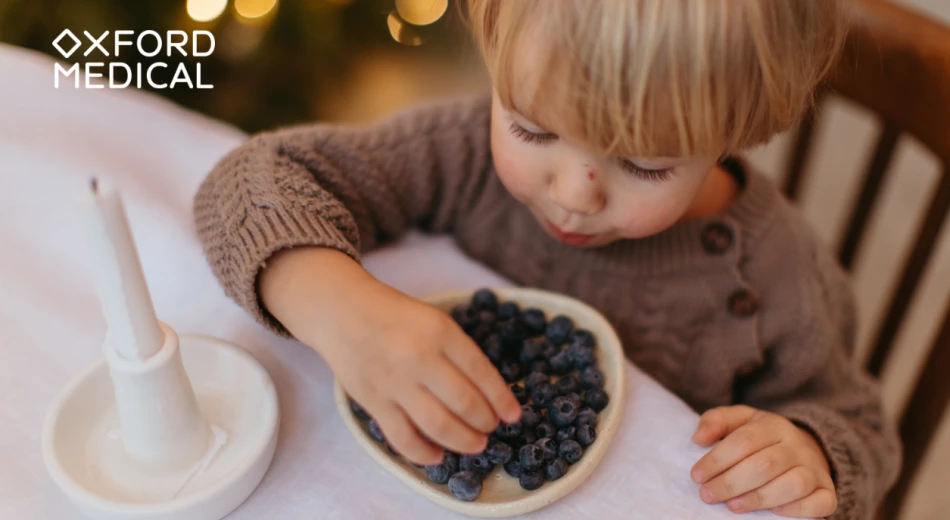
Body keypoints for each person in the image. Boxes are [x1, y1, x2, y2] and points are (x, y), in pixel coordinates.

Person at [193, 1, 899, 517]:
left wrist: (812, 451)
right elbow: (245, 183)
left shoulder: (775, 276)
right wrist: (342, 310)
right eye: (531, 128)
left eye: (644, 167)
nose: (571, 196)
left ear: (738, 128)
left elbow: (860, 426)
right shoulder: (461, 154)